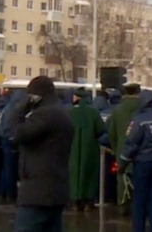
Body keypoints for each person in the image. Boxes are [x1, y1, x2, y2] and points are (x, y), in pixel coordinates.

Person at [10, 76, 74, 231]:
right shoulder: (61, 112)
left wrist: (20, 109)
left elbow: (18, 134)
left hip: (38, 192)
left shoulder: (45, 114)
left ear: (35, 96)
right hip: (54, 189)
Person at [119, 89, 152, 232]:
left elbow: (132, 143)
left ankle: (138, 228)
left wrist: (123, 162)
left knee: (140, 199)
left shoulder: (140, 120)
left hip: (143, 162)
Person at [69, 88, 105, 211]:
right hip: (90, 148)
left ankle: (75, 200)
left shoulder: (69, 112)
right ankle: (89, 201)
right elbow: (101, 129)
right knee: (89, 173)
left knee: (73, 173)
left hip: (72, 148)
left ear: (77, 98)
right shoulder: (93, 112)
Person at [109, 83, 141, 215]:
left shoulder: (117, 110)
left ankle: (123, 206)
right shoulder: (142, 108)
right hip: (140, 150)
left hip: (121, 150)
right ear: (138, 92)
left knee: (122, 177)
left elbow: (112, 133)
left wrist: (115, 149)